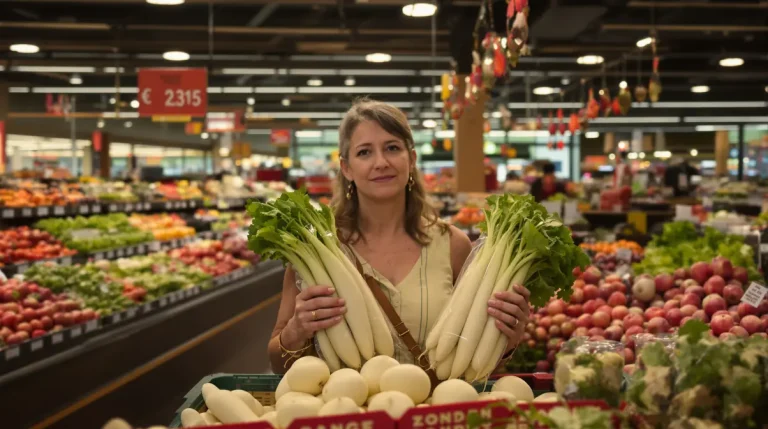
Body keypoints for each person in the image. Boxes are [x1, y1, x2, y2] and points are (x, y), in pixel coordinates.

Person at [267, 99, 530, 372]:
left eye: (392, 148)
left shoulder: (453, 245)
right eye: (365, 152)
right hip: (343, 409)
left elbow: (475, 359)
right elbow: (277, 363)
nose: (381, 163)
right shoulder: (316, 251)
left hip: (436, 411)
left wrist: (508, 337)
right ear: (346, 168)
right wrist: (297, 330)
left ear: (412, 158)